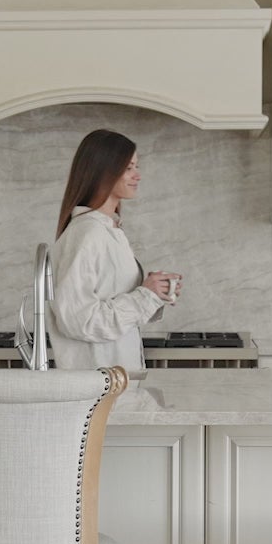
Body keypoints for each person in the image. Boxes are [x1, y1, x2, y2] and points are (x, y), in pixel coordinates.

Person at [48, 129, 180, 372]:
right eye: (129, 167)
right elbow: (79, 321)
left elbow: (112, 306)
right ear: (104, 171)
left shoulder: (109, 231)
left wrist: (153, 293)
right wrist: (145, 296)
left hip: (113, 384)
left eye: (136, 167)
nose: (138, 176)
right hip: (98, 389)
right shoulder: (87, 234)